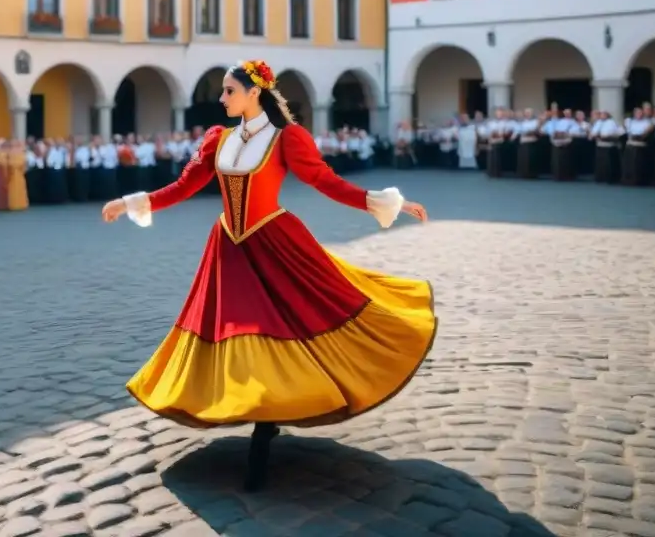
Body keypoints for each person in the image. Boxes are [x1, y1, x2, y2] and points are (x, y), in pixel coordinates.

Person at [101, 59, 435, 492]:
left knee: (287, 321)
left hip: (274, 241)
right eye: (222, 92)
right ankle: (257, 409)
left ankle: (266, 421)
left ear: (253, 92)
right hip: (229, 248)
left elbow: (324, 180)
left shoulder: (285, 138)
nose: (221, 99)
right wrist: (131, 202)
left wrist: (384, 201)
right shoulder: (217, 140)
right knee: (237, 328)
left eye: (228, 91)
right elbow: (184, 185)